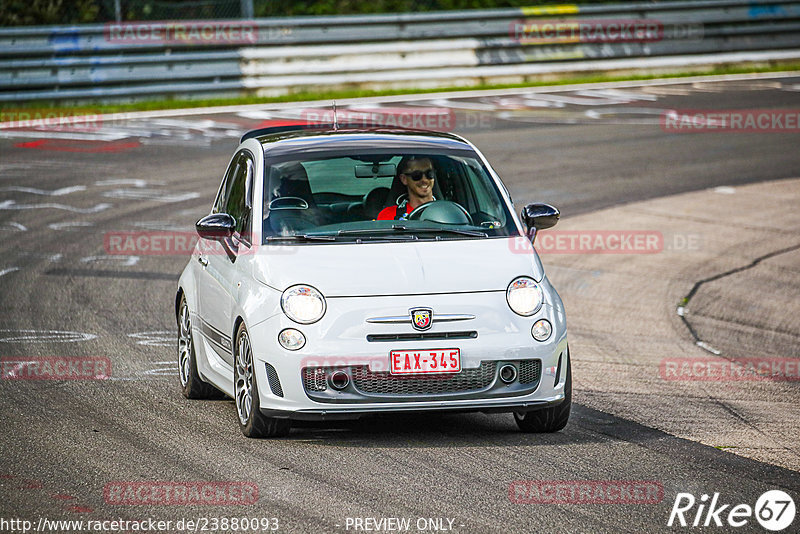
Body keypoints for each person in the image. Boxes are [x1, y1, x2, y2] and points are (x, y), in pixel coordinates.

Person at [376, 156, 436, 220]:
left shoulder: (447, 211)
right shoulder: (388, 215)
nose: (425, 180)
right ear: (404, 179)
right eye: (417, 175)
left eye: (429, 174)